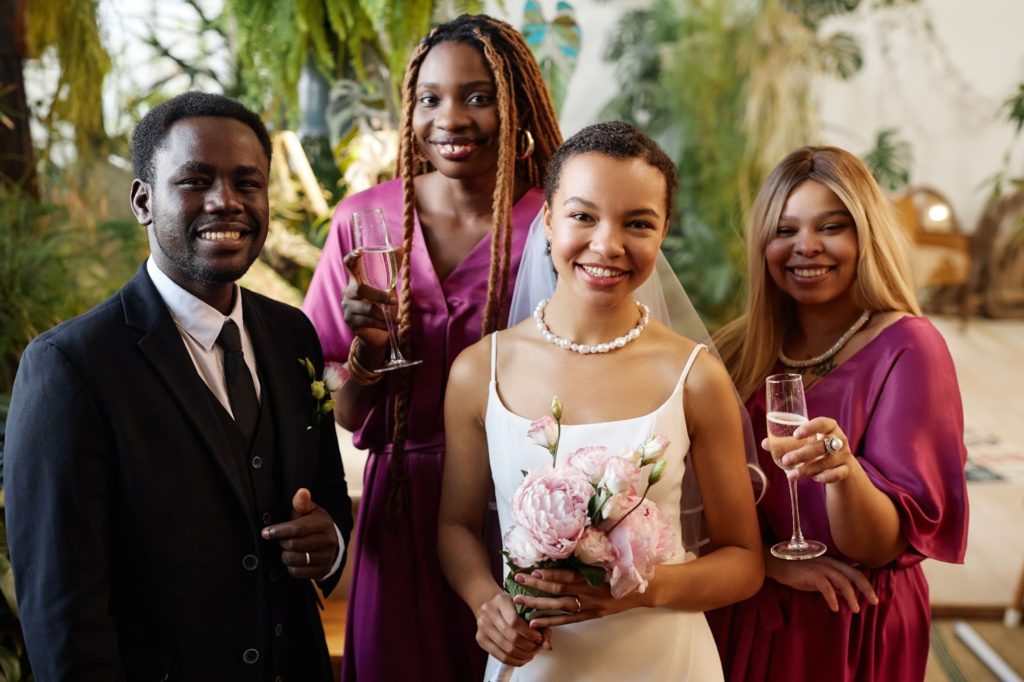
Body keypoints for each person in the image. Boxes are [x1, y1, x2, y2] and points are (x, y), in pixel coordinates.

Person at [3, 92, 354, 681]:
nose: (227, 202)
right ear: (143, 201)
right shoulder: (69, 366)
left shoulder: (293, 333)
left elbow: (326, 497)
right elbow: (61, 610)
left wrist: (331, 544)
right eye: (195, 180)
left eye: (248, 182)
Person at [438, 121, 764, 680]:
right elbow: (457, 527)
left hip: (664, 660)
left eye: (637, 223)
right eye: (583, 216)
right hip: (537, 662)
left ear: (662, 235)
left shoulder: (694, 376)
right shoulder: (479, 370)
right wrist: (484, 600)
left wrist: (638, 590)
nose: (607, 244)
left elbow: (743, 562)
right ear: (547, 221)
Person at [301, 14, 563, 682]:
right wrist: (367, 350)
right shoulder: (363, 219)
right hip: (402, 505)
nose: (451, 117)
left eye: (478, 96)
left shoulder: (555, 224)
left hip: (522, 506)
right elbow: (338, 405)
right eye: (431, 98)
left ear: (516, 108)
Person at [708, 146, 969, 681]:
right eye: (784, 230)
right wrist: (769, 564)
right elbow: (692, 498)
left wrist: (843, 472)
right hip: (748, 602)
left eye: (831, 226)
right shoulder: (735, 351)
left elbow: (875, 545)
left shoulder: (910, 347)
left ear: (865, 236)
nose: (806, 247)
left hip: (848, 619)